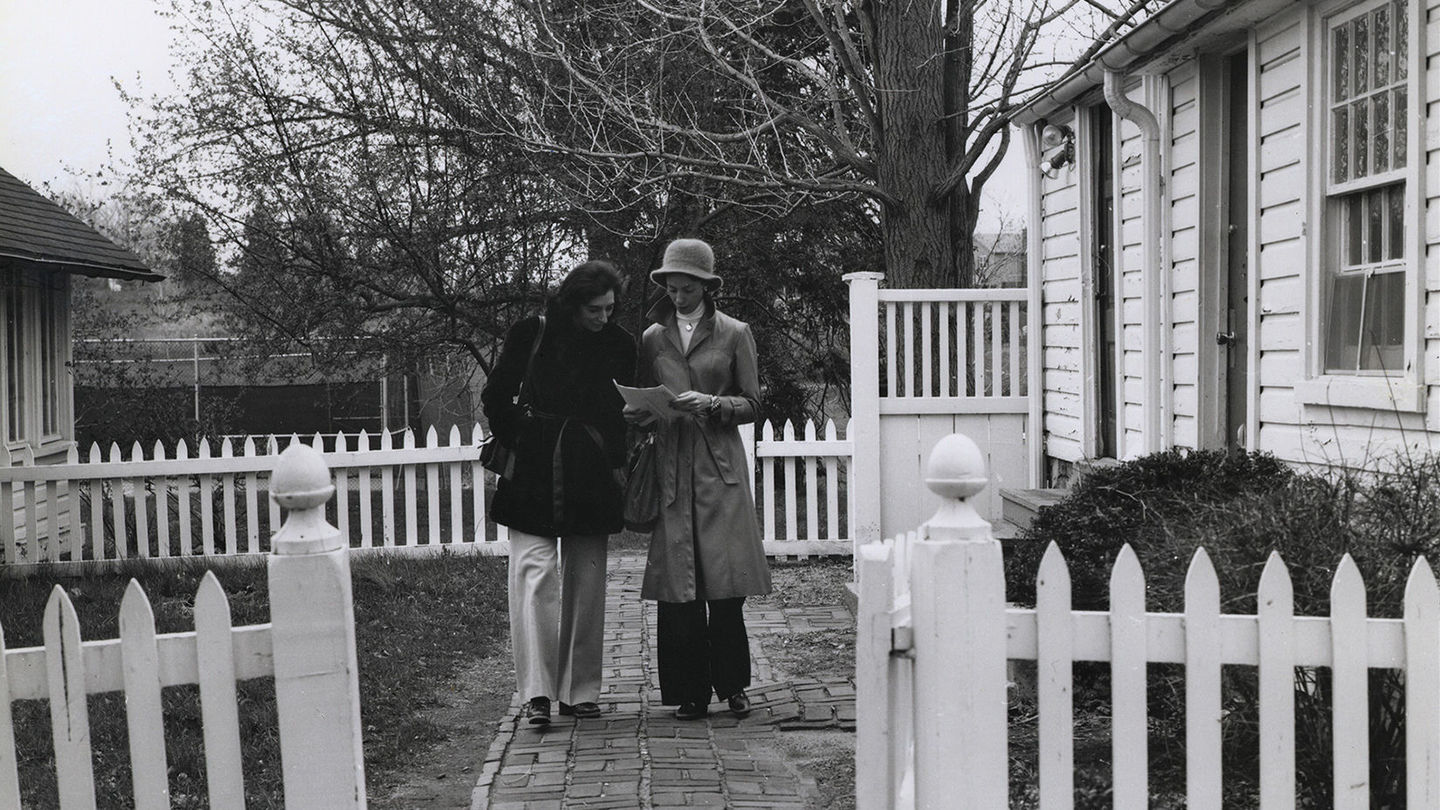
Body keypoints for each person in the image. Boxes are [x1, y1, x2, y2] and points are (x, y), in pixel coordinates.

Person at [481, 260, 635, 727]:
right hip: (533, 468)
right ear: (572, 303)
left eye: (610, 308)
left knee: (586, 583)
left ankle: (579, 690)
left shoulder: (620, 344)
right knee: (534, 576)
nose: (603, 317)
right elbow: (495, 395)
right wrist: (521, 436)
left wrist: (616, 460)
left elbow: (620, 411)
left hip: (591, 470)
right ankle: (537, 693)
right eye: (594, 309)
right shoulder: (531, 332)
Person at [626, 238, 772, 721]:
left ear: (707, 287)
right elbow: (646, 400)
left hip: (720, 471)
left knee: (725, 587)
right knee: (678, 590)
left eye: (687, 288)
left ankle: (733, 687)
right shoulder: (652, 338)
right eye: (671, 288)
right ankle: (688, 692)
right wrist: (641, 413)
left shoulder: (734, 334)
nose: (678, 297)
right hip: (671, 467)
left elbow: (753, 403)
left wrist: (712, 404)